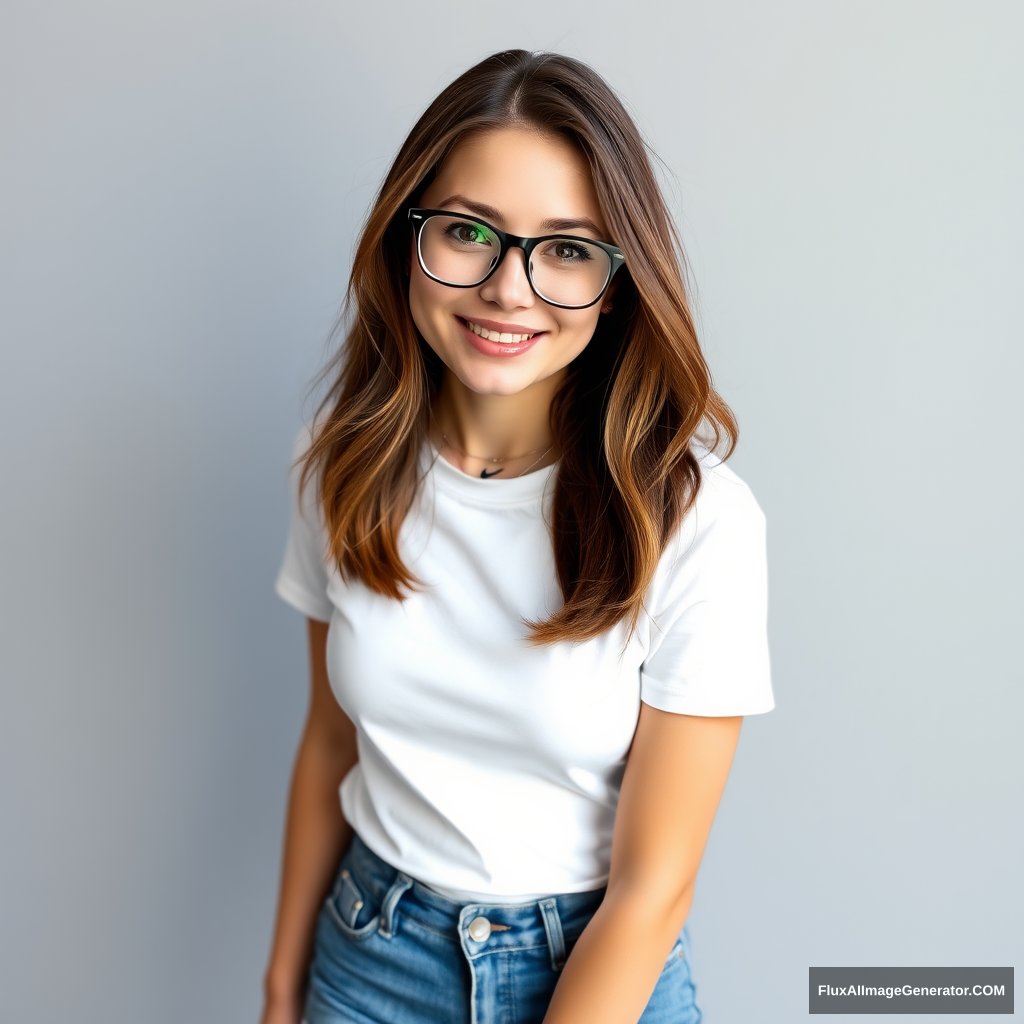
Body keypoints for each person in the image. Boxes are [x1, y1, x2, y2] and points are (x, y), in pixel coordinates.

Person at [261, 49, 773, 1024]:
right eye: (467, 233)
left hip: (598, 967)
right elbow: (330, 741)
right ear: (406, 241)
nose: (508, 288)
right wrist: (283, 988)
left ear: (617, 284)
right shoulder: (339, 467)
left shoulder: (697, 520)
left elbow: (652, 888)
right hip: (371, 961)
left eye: (566, 249)